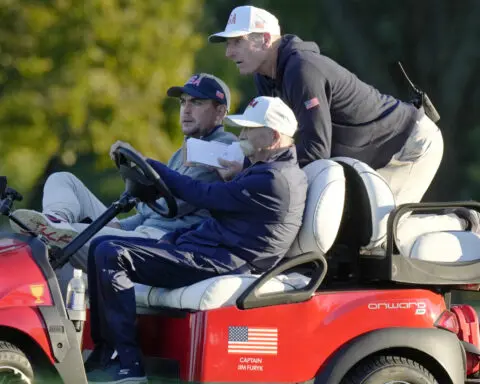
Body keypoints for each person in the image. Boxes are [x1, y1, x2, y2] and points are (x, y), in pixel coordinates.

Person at [84, 96, 307, 383]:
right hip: (209, 250)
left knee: (112, 254)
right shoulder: (265, 169)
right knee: (100, 247)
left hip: (225, 261)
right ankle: (105, 350)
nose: (241, 135)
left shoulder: (273, 179)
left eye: (249, 129)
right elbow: (231, 214)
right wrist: (173, 236)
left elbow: (201, 194)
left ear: (274, 136)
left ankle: (129, 363)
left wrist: (152, 166)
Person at [10, 73, 238, 288]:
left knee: (70, 237)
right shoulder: (185, 150)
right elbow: (155, 206)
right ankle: (56, 220)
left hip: (164, 244)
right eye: (183, 102)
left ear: (220, 112)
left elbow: (174, 205)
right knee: (63, 179)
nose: (186, 110)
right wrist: (121, 223)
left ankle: (57, 233)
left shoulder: (221, 148)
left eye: (196, 103)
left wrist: (143, 181)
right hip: (143, 231)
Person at [208, 5, 444, 207]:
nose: (228, 53)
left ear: (267, 40)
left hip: (410, 143)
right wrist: (244, 163)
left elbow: (315, 151)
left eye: (237, 42)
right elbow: (272, 141)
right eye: (228, 44)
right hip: (377, 151)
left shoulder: (302, 70)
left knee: (382, 234)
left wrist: (249, 170)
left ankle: (464, 223)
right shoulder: (265, 77)